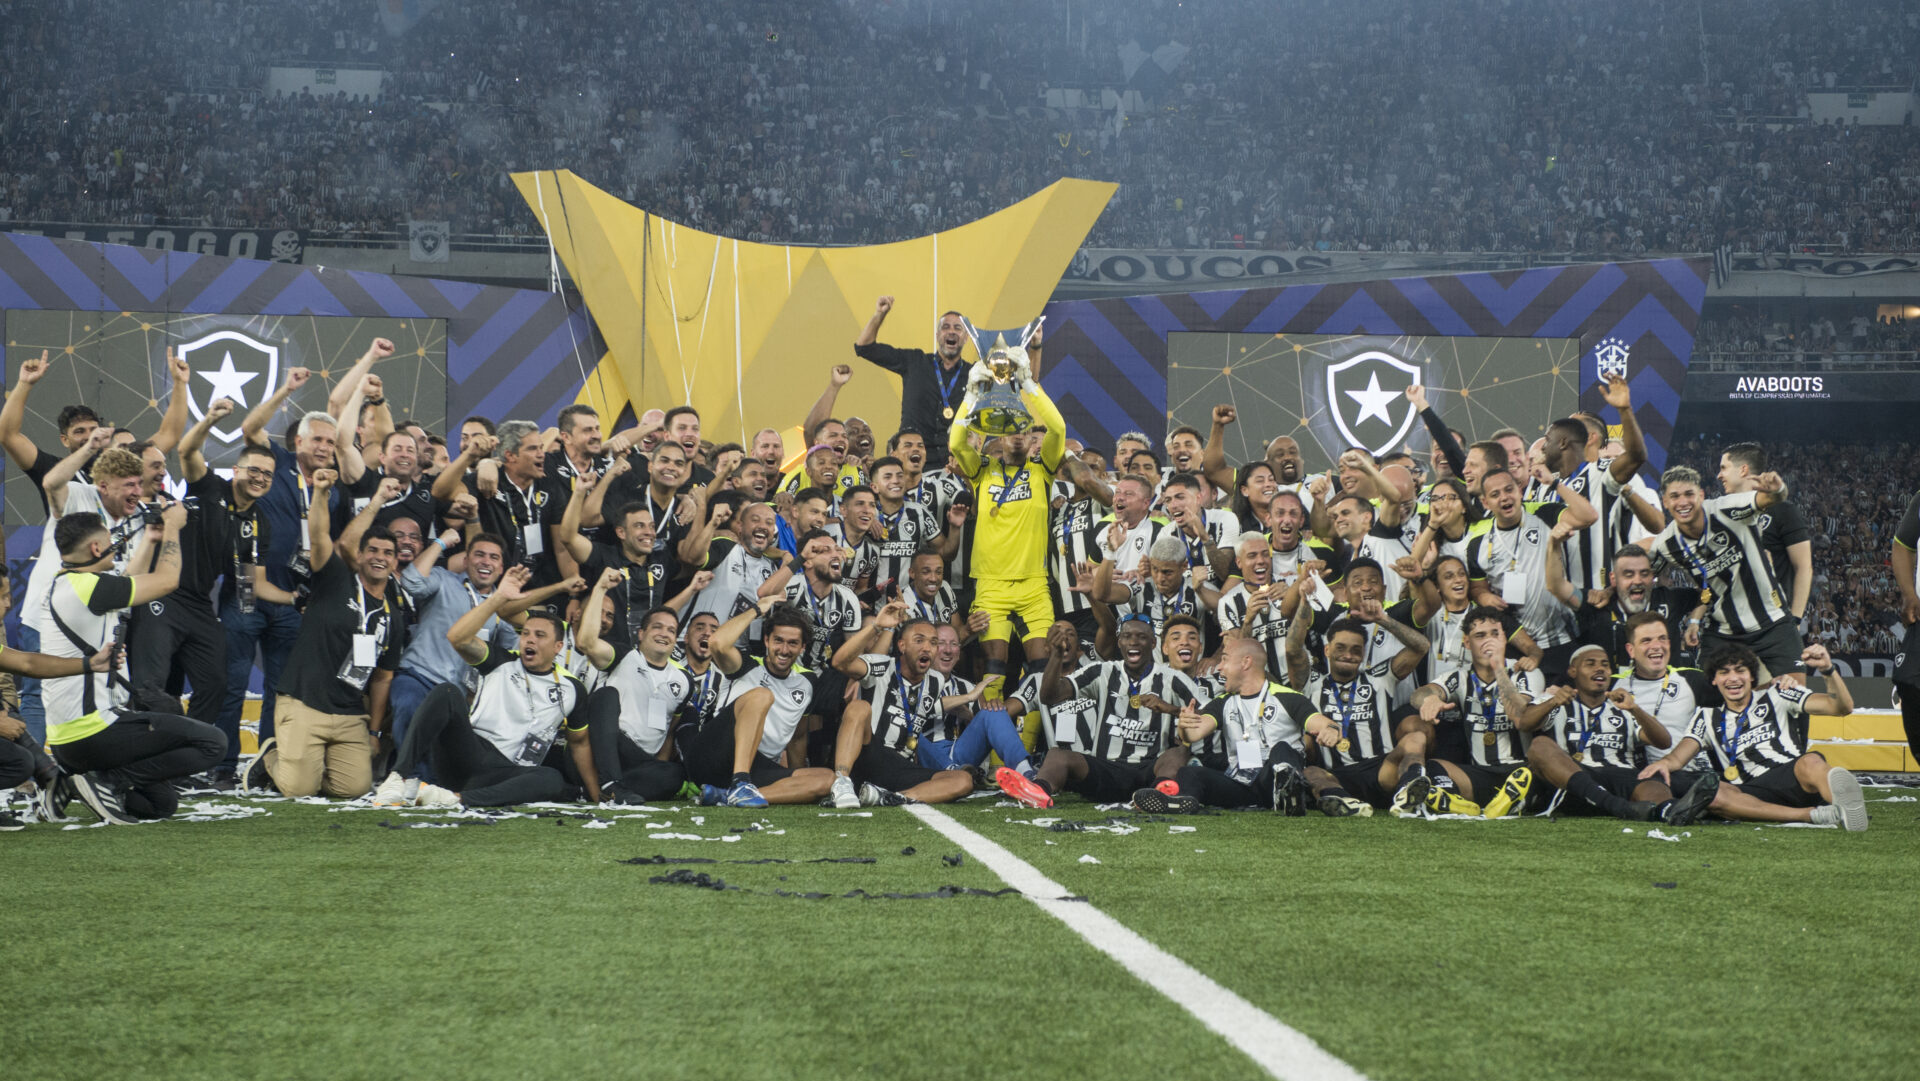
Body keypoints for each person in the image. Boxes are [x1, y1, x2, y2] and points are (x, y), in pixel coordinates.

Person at [40, 504, 227, 824]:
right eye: (108, 537)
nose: (115, 542)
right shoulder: (92, 588)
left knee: (159, 804)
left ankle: (78, 780)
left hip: (68, 741)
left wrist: (151, 541)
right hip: (96, 732)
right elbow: (167, 581)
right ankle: (108, 781)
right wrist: (172, 529)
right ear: (96, 547)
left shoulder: (71, 585)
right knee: (213, 743)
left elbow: (126, 583)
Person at [239, 469, 402, 800]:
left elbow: (383, 678)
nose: (379, 558)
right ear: (358, 554)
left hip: (349, 714)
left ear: (396, 562)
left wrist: (373, 730)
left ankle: (310, 760)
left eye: (387, 553)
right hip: (304, 703)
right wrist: (322, 494)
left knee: (353, 789)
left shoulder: (392, 616)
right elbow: (320, 534)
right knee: (299, 790)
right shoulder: (335, 578)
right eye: (372, 550)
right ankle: (270, 757)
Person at [374, 571, 600, 808]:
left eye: (539, 635)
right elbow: (457, 638)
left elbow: (579, 743)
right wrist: (498, 598)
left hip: (505, 773)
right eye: (525, 634)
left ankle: (452, 799)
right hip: (469, 752)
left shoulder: (572, 688)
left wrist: (596, 796)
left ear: (558, 647)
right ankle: (398, 777)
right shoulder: (500, 660)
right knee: (448, 692)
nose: (529, 640)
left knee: (552, 778)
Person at [164, 398, 299, 785]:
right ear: (236, 469)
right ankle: (168, 762)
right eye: (254, 470)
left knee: (215, 684)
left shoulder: (258, 522)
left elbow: (253, 584)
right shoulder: (209, 487)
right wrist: (209, 418)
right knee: (163, 686)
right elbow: (187, 449)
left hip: (198, 605)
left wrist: (294, 599)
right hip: (163, 596)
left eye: (268, 475)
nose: (260, 478)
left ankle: (204, 765)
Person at [1640, 642, 1867, 831]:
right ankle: (1813, 815)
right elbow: (1678, 759)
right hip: (1749, 793)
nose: (1733, 678)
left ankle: (1845, 807)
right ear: (1714, 680)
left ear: (1751, 676)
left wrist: (1828, 670)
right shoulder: (1706, 716)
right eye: (1724, 672)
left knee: (1811, 762)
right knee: (1716, 795)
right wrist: (1662, 765)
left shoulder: (1778, 692)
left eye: (1740, 670)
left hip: (1793, 776)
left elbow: (1841, 707)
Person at [231, 369, 336, 762]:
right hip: (247, 589)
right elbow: (250, 426)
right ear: (298, 441)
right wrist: (287, 389)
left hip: (293, 598)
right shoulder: (275, 461)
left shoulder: (332, 483)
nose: (325, 447)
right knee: (234, 681)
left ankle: (266, 760)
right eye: (318, 439)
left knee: (281, 686)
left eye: (331, 441)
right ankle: (223, 765)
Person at [947, 373, 1066, 699]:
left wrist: (1029, 384)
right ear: (998, 437)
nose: (1018, 436)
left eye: (1025, 431)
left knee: (1043, 675)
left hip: (1034, 586)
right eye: (1011, 430)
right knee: (994, 674)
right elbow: (956, 442)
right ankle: (998, 751)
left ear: (1031, 441)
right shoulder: (981, 470)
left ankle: (1025, 749)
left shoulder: (1043, 470)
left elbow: (1058, 429)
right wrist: (972, 392)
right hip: (990, 585)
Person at [1516, 645, 1719, 825]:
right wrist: (1552, 702)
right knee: (1540, 745)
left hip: (1619, 776)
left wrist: (1635, 709)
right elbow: (1524, 723)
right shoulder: (1556, 701)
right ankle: (1619, 808)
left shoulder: (1622, 707)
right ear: (1573, 671)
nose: (1600, 668)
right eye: (1591, 664)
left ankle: (1669, 810)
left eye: (1605, 664)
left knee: (1650, 779)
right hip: (1575, 781)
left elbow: (1663, 742)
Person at [1136, 636, 1334, 814]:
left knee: (1282, 750)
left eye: (1225, 659)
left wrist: (1329, 730)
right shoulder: (1223, 702)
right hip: (1242, 782)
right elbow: (1194, 733)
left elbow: (1322, 723)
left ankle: (1287, 796)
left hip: (1272, 778)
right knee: (1191, 772)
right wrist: (1185, 726)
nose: (1219, 667)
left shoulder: (1287, 697)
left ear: (1245, 662)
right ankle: (1180, 802)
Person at [1643, 465, 1804, 679]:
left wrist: (1778, 488)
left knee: (1794, 701)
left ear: (1701, 495)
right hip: (1723, 632)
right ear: (1665, 502)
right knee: (1705, 701)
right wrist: (1608, 590)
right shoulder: (1665, 545)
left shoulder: (1728, 509)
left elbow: (1772, 498)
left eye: (1689, 494)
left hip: (1773, 622)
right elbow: (1636, 576)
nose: (1682, 502)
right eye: (1674, 496)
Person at [681, 598, 836, 807]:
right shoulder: (746, 665)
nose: (784, 649)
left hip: (759, 765)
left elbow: (797, 738)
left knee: (827, 779)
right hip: (714, 755)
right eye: (778, 640)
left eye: (792, 643)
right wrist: (757, 609)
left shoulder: (807, 682)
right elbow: (717, 643)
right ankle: (740, 782)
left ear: (802, 648)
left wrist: (795, 777)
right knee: (762, 695)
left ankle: (728, 796)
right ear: (766, 641)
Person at [1031, 617, 1201, 804]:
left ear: (1153, 643)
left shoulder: (1171, 678)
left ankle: (1161, 794)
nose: (1134, 642)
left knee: (1179, 752)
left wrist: (1172, 709)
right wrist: (1056, 654)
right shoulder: (1101, 671)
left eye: (1142, 637)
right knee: (1057, 754)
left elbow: (1207, 715)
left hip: (1151, 770)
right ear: (1119, 642)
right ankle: (1037, 791)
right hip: (1106, 770)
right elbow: (1049, 696)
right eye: (1127, 636)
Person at [827, 603, 982, 807]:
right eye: (919, 641)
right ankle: (843, 782)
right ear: (902, 646)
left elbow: (928, 709)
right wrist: (877, 627)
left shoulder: (936, 680)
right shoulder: (881, 666)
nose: (927, 647)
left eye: (933, 642)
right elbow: (840, 662)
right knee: (859, 707)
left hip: (899, 767)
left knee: (962, 780)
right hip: (869, 755)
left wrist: (968, 697)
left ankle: (890, 798)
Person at [1286, 609, 1437, 817]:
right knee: (1310, 772)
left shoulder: (1381, 678)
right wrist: (1303, 603)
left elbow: (1421, 646)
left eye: (1356, 650)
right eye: (1341, 648)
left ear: (1364, 654)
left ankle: (1408, 790)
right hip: (1338, 775)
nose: (1348, 655)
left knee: (1416, 737)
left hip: (1383, 771)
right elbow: (1293, 651)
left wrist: (1383, 619)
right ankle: (1343, 801)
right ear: (1327, 650)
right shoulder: (1312, 683)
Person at [858, 299, 1032, 471]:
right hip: (914, 462)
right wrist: (880, 314)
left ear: (966, 338)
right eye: (945, 327)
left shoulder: (976, 373)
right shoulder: (914, 362)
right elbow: (864, 347)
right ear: (937, 335)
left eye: (958, 328)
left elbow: (1025, 381)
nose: (951, 332)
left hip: (956, 465)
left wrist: (1036, 345)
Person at [567, 578, 695, 804]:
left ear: (676, 639)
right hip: (604, 746)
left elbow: (671, 729)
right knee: (605, 695)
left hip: (640, 761)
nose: (664, 634)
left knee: (674, 775)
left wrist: (659, 762)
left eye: (671, 630)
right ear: (641, 633)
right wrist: (600, 588)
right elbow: (586, 642)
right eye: (657, 627)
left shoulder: (684, 680)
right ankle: (608, 784)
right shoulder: (623, 656)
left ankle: (600, 789)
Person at [1414, 606, 1547, 818]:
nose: (1489, 641)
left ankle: (1514, 798)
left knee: (1531, 776)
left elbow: (1521, 714)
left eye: (1495, 634)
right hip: (1481, 774)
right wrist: (1429, 698)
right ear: (1467, 643)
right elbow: (1419, 694)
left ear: (1504, 638)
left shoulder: (1525, 673)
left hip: (1520, 771)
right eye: (1480, 635)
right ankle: (1458, 803)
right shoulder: (1459, 678)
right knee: (1434, 766)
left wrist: (1498, 667)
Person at [1718, 442, 1812, 626]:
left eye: (1724, 468)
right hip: (1731, 621)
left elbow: (1804, 567)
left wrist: (1795, 618)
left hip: (1771, 619)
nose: (1719, 475)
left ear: (1743, 470)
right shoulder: (1722, 511)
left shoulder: (1783, 510)